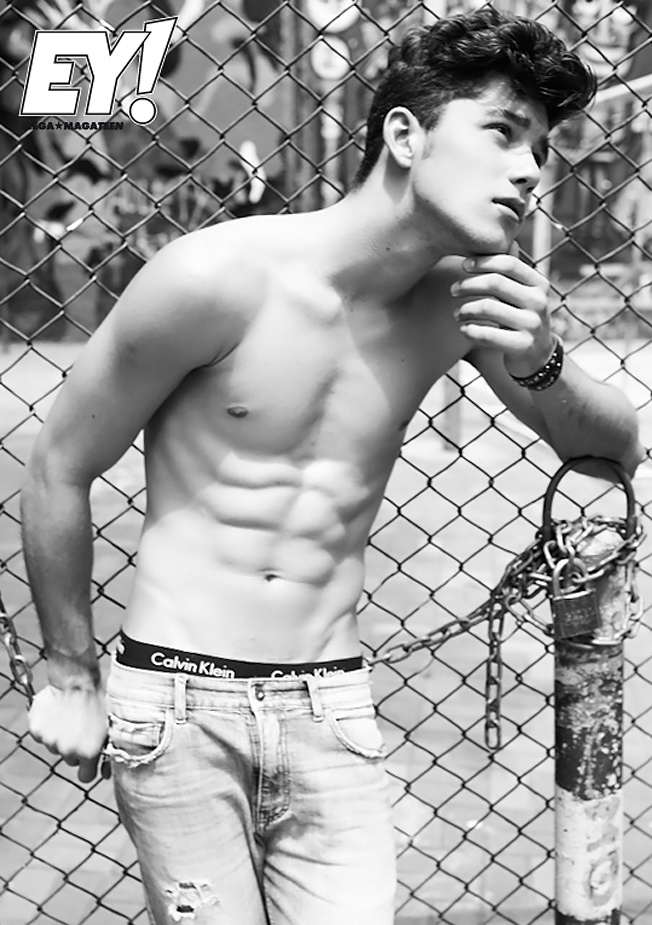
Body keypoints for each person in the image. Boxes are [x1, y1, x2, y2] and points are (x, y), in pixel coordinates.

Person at [22, 7, 644, 925]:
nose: (527, 169)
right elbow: (59, 463)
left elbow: (615, 444)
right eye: (503, 132)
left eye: (540, 150)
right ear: (405, 136)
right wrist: (71, 671)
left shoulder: (464, 301)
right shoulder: (215, 276)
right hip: (178, 700)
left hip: (332, 701)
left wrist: (541, 355)